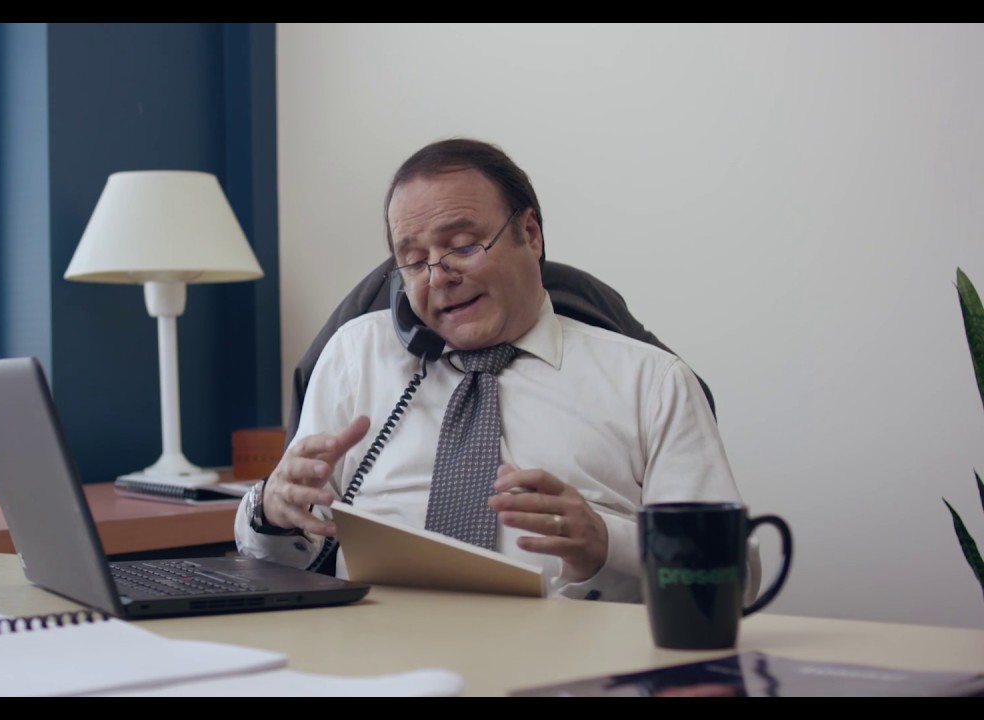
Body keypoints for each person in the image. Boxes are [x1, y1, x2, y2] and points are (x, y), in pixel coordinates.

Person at [234, 137, 759, 602]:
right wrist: (270, 510)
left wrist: (608, 543)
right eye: (414, 260)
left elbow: (736, 579)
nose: (439, 276)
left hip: (574, 658)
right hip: (381, 659)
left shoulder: (651, 382)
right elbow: (287, 560)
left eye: (463, 246)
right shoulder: (356, 356)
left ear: (530, 234)